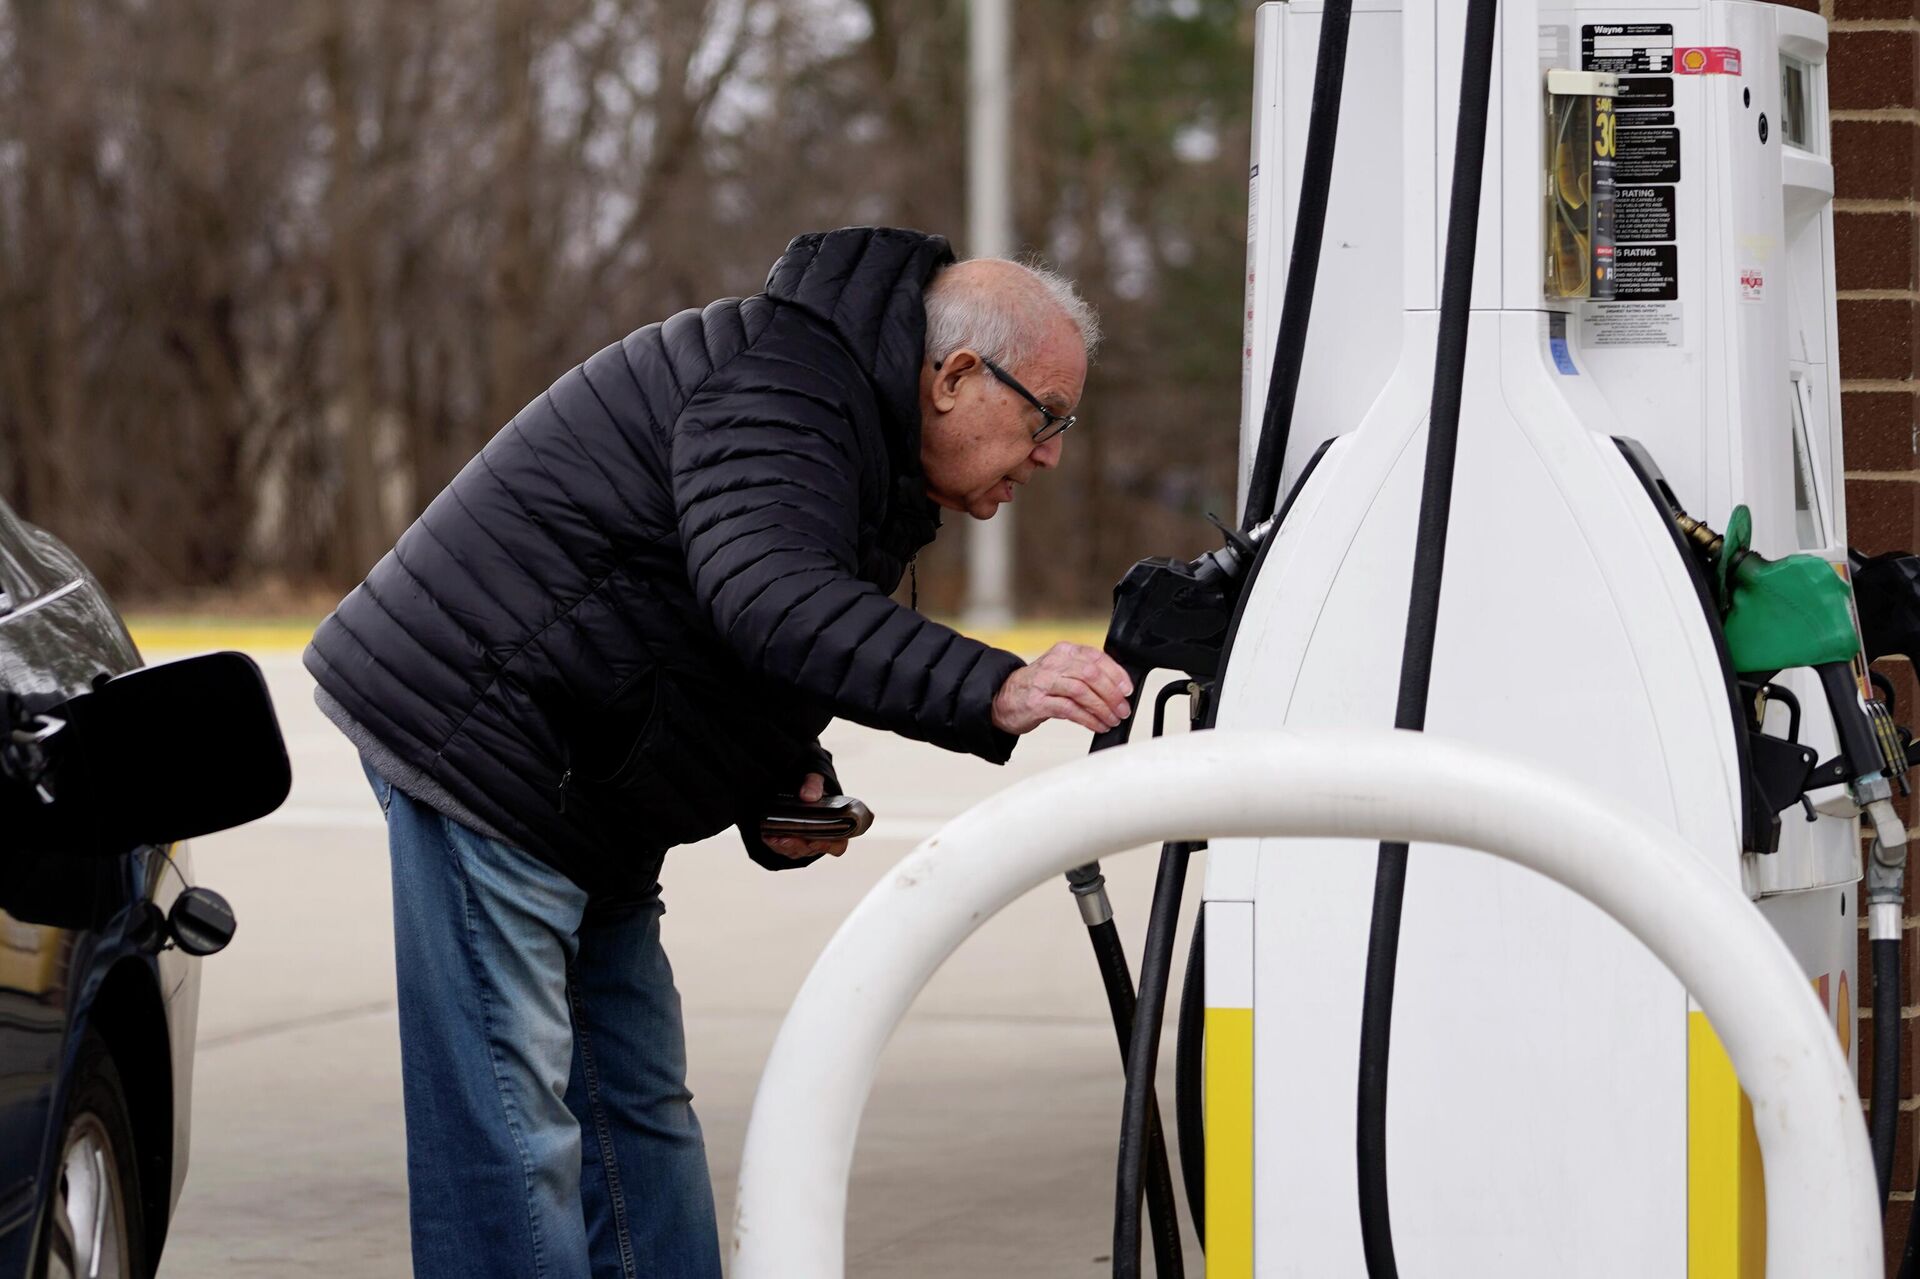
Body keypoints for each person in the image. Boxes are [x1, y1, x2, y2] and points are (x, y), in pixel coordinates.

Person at [304, 225, 1134, 1278]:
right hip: (484, 739)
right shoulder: (782, 391)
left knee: (634, 1111)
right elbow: (771, 598)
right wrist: (993, 685)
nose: (1053, 453)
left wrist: (776, 777)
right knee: (514, 1129)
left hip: (587, 778)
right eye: (1045, 417)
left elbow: (719, 621)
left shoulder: (848, 423)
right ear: (957, 375)